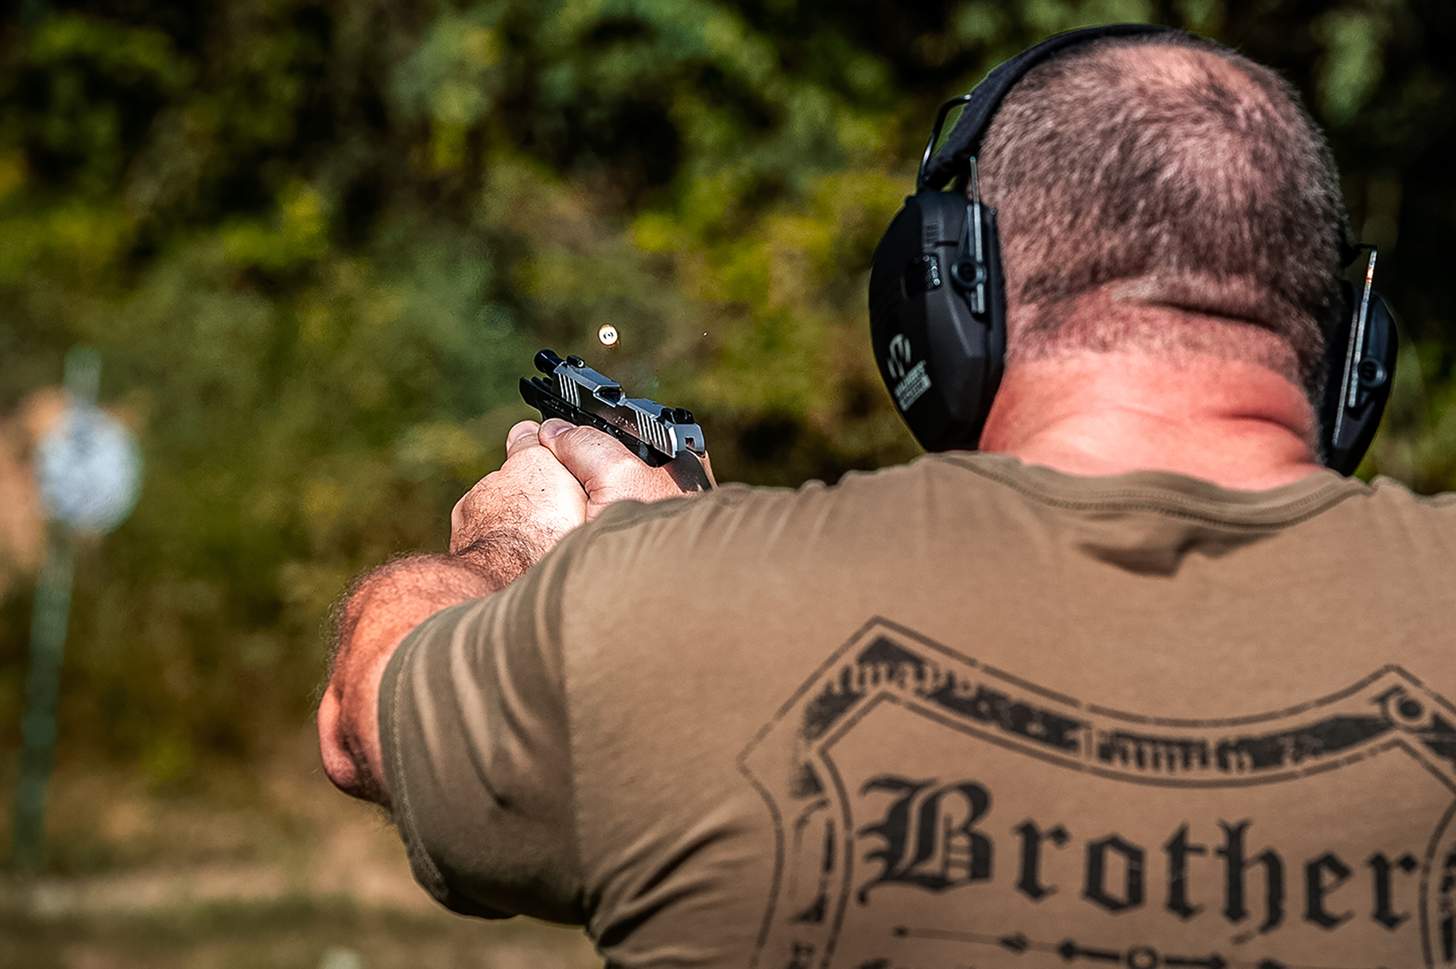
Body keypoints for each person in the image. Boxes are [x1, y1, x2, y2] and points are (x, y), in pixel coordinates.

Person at [318, 26, 1456, 969]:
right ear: (1354, 353)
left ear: (940, 301)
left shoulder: (674, 616)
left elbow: (365, 712)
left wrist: (528, 555)